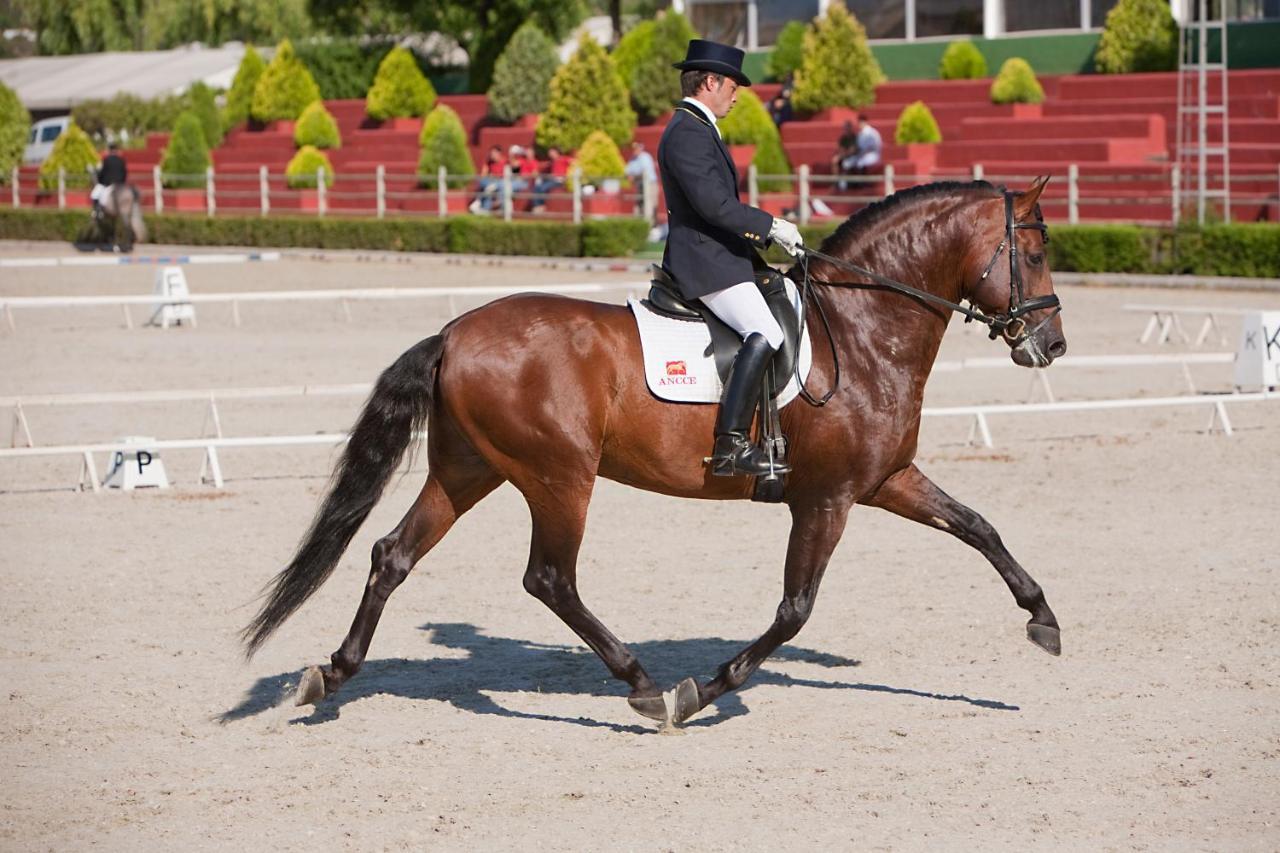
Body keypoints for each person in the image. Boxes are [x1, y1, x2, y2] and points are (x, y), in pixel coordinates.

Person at [658, 38, 804, 478]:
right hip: (705, 261)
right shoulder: (686, 131)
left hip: (723, 254)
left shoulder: (697, 127)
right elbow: (713, 206)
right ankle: (731, 444)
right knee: (765, 330)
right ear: (709, 82)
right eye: (733, 86)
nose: (737, 96)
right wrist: (770, 225)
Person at [833, 113, 882, 191]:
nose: (860, 124)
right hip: (860, 155)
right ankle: (844, 184)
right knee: (847, 163)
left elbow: (871, 148)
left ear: (865, 122)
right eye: (859, 122)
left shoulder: (872, 133)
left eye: (861, 122)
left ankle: (862, 184)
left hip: (872, 155)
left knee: (860, 163)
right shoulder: (860, 134)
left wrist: (855, 151)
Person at [91, 142, 127, 218]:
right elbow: (124, 173)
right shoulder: (121, 160)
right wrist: (122, 183)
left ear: (109, 150)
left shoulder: (106, 160)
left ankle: (97, 211)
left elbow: (102, 173)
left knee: (94, 194)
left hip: (108, 184)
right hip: (120, 185)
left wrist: (100, 181)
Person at [530, 146, 571, 213]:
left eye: (551, 152)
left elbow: (572, 161)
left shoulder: (563, 159)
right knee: (537, 187)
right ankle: (537, 206)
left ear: (556, 152)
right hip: (552, 180)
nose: (550, 154)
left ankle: (540, 206)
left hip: (559, 181)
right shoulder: (552, 162)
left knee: (542, 187)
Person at [469, 145, 506, 213]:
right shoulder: (489, 163)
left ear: (499, 153)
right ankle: (485, 209)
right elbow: (483, 175)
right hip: (490, 183)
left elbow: (505, 176)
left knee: (489, 188)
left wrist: (494, 177)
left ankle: (479, 202)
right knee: (485, 185)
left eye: (494, 153)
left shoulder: (505, 162)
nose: (492, 155)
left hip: (499, 183)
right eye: (491, 154)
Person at [623, 141, 657, 214]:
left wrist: (633, 175)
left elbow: (644, 171)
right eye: (634, 148)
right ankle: (640, 222)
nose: (635, 150)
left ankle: (650, 223)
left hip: (649, 184)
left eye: (636, 148)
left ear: (640, 148)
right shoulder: (632, 159)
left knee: (650, 203)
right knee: (639, 203)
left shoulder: (645, 157)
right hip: (639, 184)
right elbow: (627, 170)